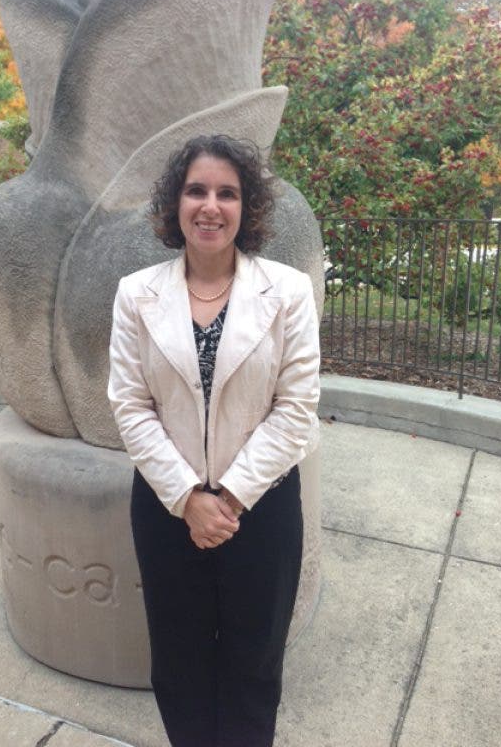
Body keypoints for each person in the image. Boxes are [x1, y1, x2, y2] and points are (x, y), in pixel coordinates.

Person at [107, 134, 320, 747]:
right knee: (178, 664)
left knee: (255, 663)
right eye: (196, 190)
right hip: (167, 507)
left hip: (261, 507)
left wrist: (226, 497)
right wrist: (187, 499)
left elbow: (297, 407)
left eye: (227, 193)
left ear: (245, 208)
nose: (210, 205)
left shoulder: (287, 292)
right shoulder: (136, 294)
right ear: (175, 203)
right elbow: (130, 405)